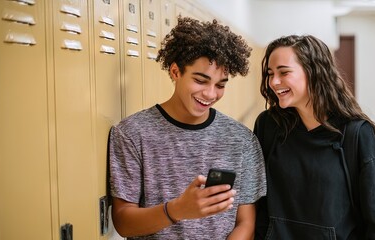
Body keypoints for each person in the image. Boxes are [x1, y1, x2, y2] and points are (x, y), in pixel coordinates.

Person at [108, 16, 266, 240]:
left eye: (220, 85)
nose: (211, 94)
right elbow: (124, 222)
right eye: (201, 81)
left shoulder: (242, 140)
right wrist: (177, 210)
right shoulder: (131, 134)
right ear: (175, 72)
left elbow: (246, 223)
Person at [254, 35, 375, 239]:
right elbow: (258, 204)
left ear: (314, 72)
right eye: (270, 74)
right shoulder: (269, 125)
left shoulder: (359, 135)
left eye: (284, 72)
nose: (274, 82)